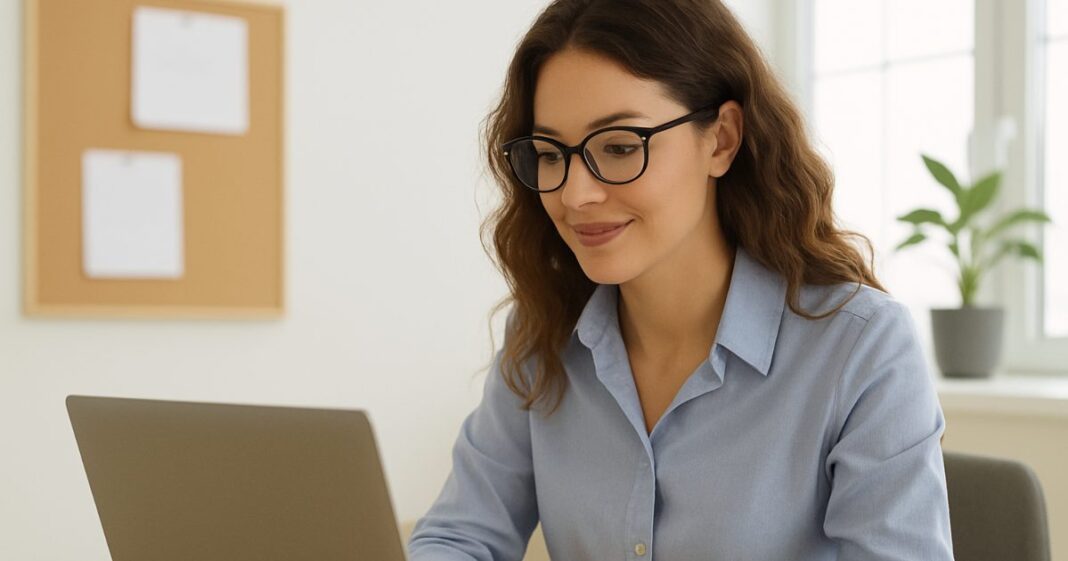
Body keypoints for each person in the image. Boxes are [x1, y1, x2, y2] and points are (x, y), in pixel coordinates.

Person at [408, 0, 954, 559]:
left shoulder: (860, 348)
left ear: (721, 140)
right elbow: (460, 535)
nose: (575, 195)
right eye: (550, 154)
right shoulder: (543, 333)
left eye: (619, 147)